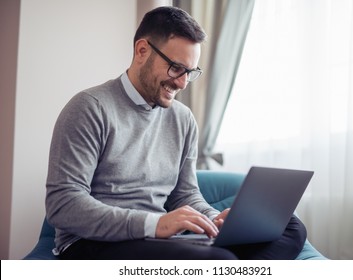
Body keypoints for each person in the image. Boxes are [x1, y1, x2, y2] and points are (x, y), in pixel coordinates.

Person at [45, 6, 307, 260]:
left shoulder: (182, 119)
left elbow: (185, 194)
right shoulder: (90, 107)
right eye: (175, 67)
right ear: (142, 50)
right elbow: (64, 203)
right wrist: (155, 223)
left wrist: (212, 220)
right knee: (217, 260)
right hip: (93, 243)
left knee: (292, 228)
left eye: (190, 73)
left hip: (159, 238)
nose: (182, 83)